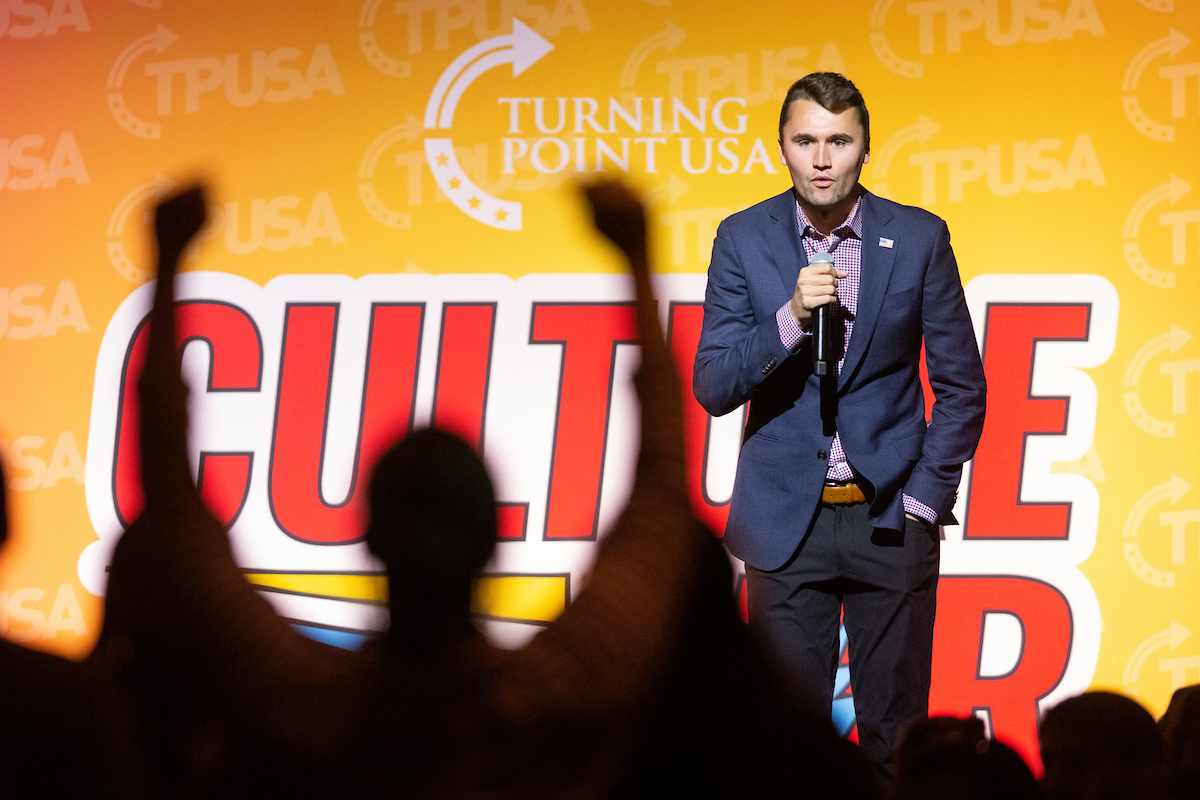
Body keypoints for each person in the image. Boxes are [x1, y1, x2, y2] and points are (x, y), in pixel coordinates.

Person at [693, 72, 987, 775]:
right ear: (782, 149)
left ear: (864, 149)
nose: (821, 159)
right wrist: (791, 319)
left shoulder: (917, 239)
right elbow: (713, 385)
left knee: (894, 737)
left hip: (890, 519)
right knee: (784, 748)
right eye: (805, 141)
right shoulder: (743, 239)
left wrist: (921, 502)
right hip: (783, 527)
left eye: (838, 141)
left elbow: (962, 387)